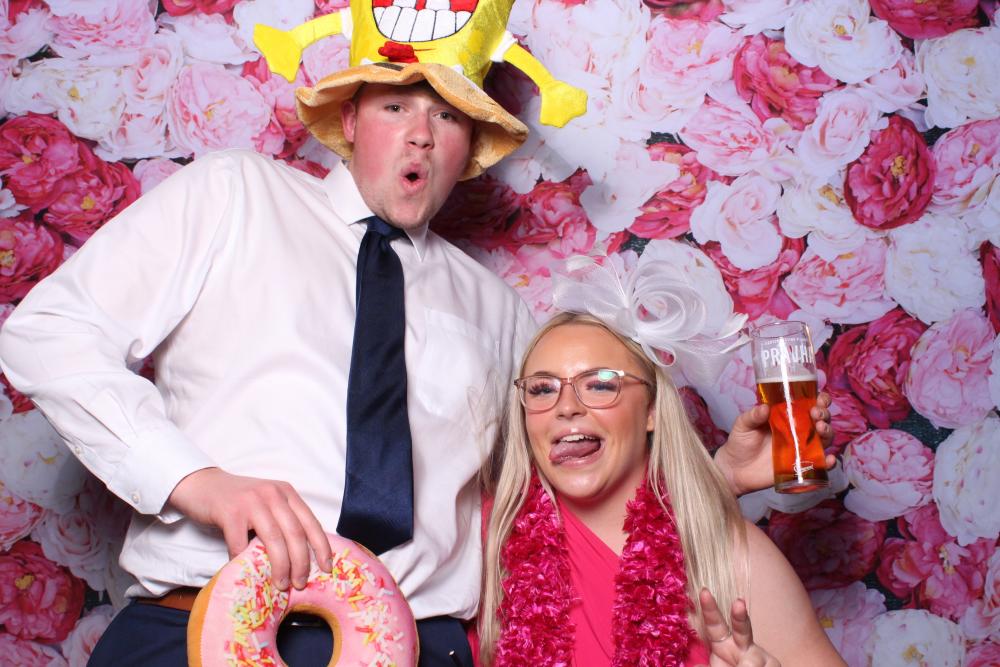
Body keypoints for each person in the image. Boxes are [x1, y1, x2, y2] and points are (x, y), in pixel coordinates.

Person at [0, 16, 834, 667]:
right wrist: (198, 481)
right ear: (350, 117)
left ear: (470, 151)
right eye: (396, 104)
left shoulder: (499, 311)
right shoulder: (233, 196)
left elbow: (558, 492)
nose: (421, 134)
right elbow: (47, 333)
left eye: (448, 115)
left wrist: (715, 477)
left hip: (418, 645)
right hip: (203, 628)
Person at [478, 307, 846, 667]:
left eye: (600, 384)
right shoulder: (486, 540)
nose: (566, 407)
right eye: (543, 389)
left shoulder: (731, 555)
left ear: (651, 410)